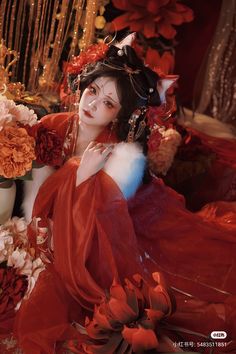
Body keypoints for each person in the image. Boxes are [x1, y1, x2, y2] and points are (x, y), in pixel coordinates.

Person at [12, 35, 236, 353]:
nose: (92, 105)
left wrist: (80, 174)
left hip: (128, 227)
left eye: (108, 103)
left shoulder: (120, 154)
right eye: (92, 91)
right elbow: (37, 198)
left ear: (119, 113)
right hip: (59, 228)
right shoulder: (54, 126)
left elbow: (104, 228)